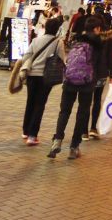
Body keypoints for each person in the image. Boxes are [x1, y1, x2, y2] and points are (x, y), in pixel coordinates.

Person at [48, 15, 105, 160]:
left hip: (70, 80)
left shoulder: (76, 40)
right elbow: (99, 65)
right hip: (86, 83)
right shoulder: (97, 44)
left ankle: (57, 140)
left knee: (64, 111)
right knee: (82, 113)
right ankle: (74, 147)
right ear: (97, 29)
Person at [18, 17, 63, 145]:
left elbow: (26, 56)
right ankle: (32, 135)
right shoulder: (58, 42)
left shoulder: (36, 40)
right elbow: (61, 59)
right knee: (40, 104)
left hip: (32, 75)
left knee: (30, 102)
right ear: (57, 29)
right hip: (46, 77)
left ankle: (25, 131)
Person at [87, 19, 112, 138]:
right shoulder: (108, 38)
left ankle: (84, 130)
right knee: (97, 100)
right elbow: (110, 57)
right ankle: (93, 128)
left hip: (87, 72)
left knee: (86, 101)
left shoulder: (86, 37)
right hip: (101, 73)